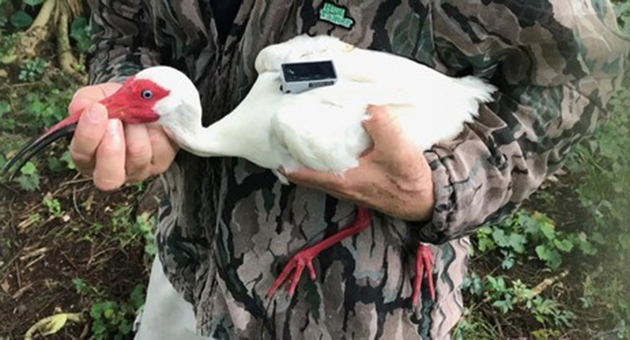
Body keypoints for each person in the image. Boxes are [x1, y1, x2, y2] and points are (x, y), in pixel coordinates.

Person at [69, 0, 628, 339]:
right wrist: (128, 89)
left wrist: (440, 186)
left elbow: (587, 68)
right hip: (192, 266)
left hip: (354, 312)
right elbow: (123, 27)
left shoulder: (302, 134)